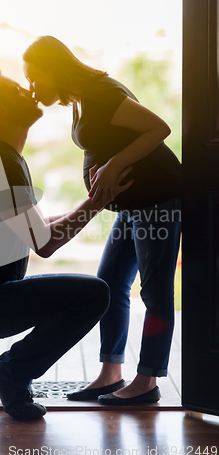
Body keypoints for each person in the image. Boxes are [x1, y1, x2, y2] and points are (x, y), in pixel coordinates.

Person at [0, 67, 133, 420]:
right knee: (95, 293)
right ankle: (11, 372)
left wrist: (91, 200)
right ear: (0, 109)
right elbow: (45, 244)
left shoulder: (5, 158)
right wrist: (96, 200)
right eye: (16, 89)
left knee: (90, 291)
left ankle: (11, 371)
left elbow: (37, 227)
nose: (29, 91)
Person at [23, 36, 182, 405]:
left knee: (155, 291)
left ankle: (148, 381)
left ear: (53, 68)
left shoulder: (101, 92)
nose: (32, 89)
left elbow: (158, 129)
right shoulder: (82, 98)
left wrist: (113, 165)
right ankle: (111, 373)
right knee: (109, 283)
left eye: (34, 78)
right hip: (131, 205)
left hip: (157, 200)